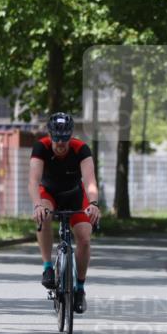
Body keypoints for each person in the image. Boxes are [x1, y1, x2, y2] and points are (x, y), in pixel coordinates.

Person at [29, 112, 100, 314]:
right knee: (44, 214)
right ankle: (47, 267)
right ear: (50, 135)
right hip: (49, 193)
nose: (60, 143)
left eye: (65, 138)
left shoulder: (81, 149)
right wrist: (37, 205)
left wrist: (94, 203)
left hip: (74, 193)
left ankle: (79, 288)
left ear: (71, 136)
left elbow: (90, 181)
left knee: (85, 238)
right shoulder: (40, 147)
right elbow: (34, 180)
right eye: (56, 138)